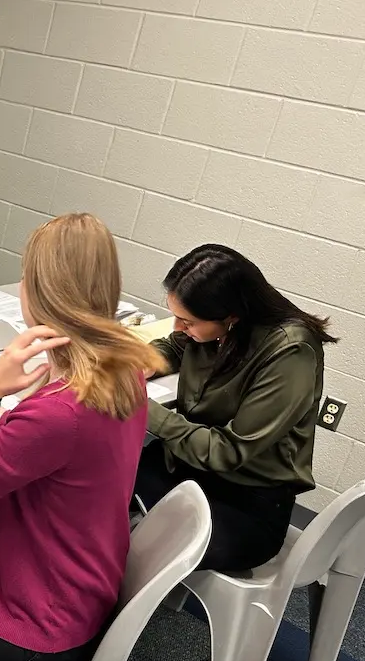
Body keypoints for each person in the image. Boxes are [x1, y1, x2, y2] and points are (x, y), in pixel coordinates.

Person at [0, 214, 164, 661]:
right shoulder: (125, 371)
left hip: (34, 631)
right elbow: (69, 453)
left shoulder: (55, 416)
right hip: (83, 592)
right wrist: (14, 426)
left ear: (39, 294)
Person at [134, 244, 335, 573]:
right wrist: (141, 363)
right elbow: (175, 344)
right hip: (186, 468)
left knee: (125, 540)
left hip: (245, 502)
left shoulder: (290, 351)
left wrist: (143, 409)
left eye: (187, 321)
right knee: (88, 489)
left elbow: (226, 451)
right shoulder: (217, 329)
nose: (178, 327)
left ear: (232, 316)